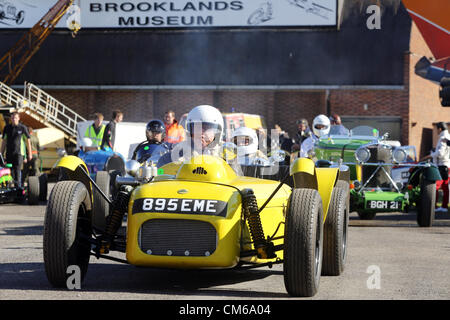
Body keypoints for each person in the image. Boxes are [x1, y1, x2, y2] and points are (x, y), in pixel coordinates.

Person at [157, 105, 224, 168]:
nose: (201, 133)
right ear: (189, 131)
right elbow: (161, 174)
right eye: (197, 128)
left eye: (207, 129)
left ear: (217, 133)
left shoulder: (226, 156)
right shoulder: (173, 157)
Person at [0, 112, 32, 188]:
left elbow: (28, 141)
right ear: (11, 119)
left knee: (17, 171)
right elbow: (4, 141)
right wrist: (1, 153)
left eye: (15, 118)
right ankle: (8, 188)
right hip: (9, 153)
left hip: (19, 154)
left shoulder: (22, 128)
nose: (14, 119)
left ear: (18, 118)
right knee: (9, 171)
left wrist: (29, 154)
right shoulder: (7, 128)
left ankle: (18, 188)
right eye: (12, 118)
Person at [428, 122, 450, 213]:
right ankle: (444, 207)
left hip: (441, 165)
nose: (436, 130)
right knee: (445, 187)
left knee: (435, 186)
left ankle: (435, 206)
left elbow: (440, 153)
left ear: (440, 129)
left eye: (437, 128)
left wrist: (432, 154)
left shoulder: (442, 138)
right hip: (447, 165)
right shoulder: (448, 137)